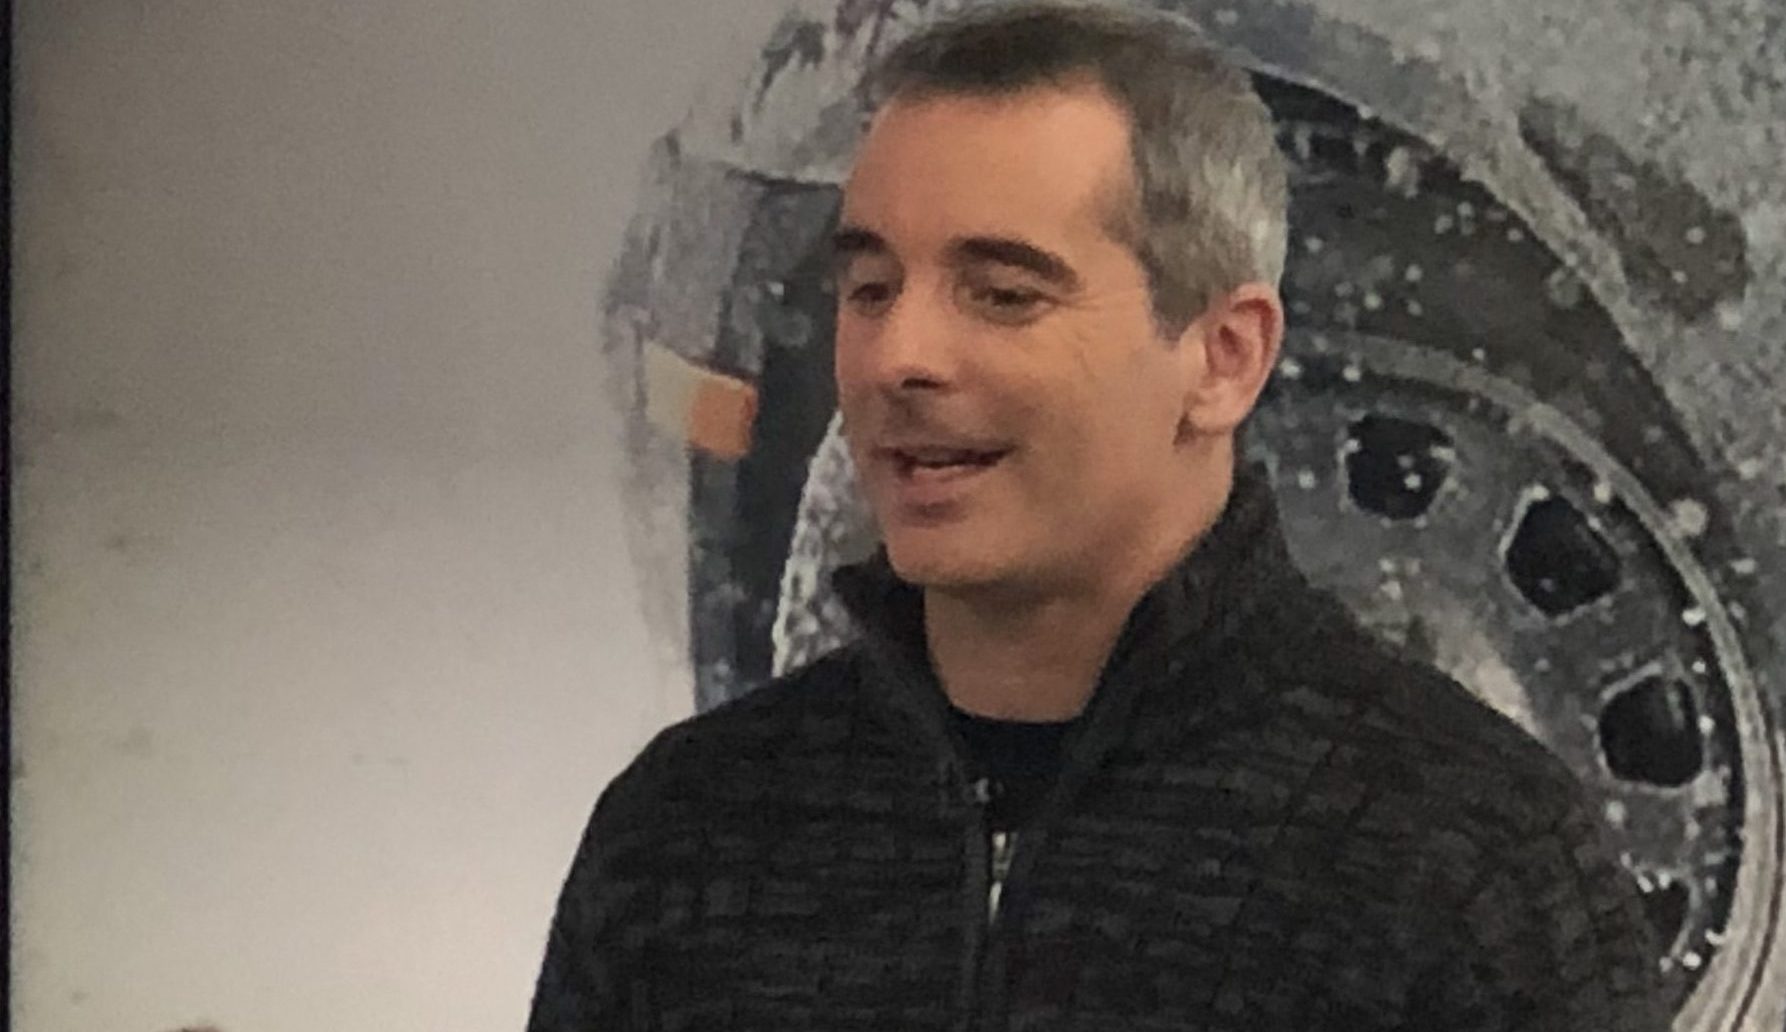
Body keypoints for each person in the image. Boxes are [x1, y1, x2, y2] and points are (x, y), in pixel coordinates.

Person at [528, 3, 1673, 1029]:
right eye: (870, 288)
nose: (895, 355)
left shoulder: (1471, 858)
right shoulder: (690, 829)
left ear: (1224, 358)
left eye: (1002, 294)